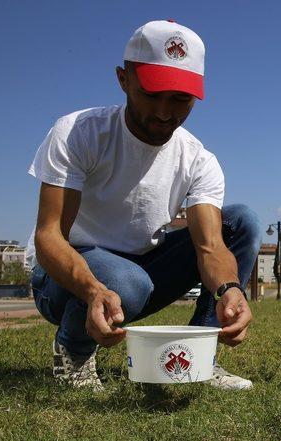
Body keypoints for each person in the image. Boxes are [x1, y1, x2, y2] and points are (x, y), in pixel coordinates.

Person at [26, 20, 261, 391]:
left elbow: (211, 246)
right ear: (124, 80)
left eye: (180, 99)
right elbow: (50, 236)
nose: (165, 112)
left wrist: (230, 289)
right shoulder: (78, 133)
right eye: (152, 94)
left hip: (139, 270)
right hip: (61, 278)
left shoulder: (198, 159)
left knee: (241, 221)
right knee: (125, 280)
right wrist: (92, 290)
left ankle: (200, 357)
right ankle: (73, 354)